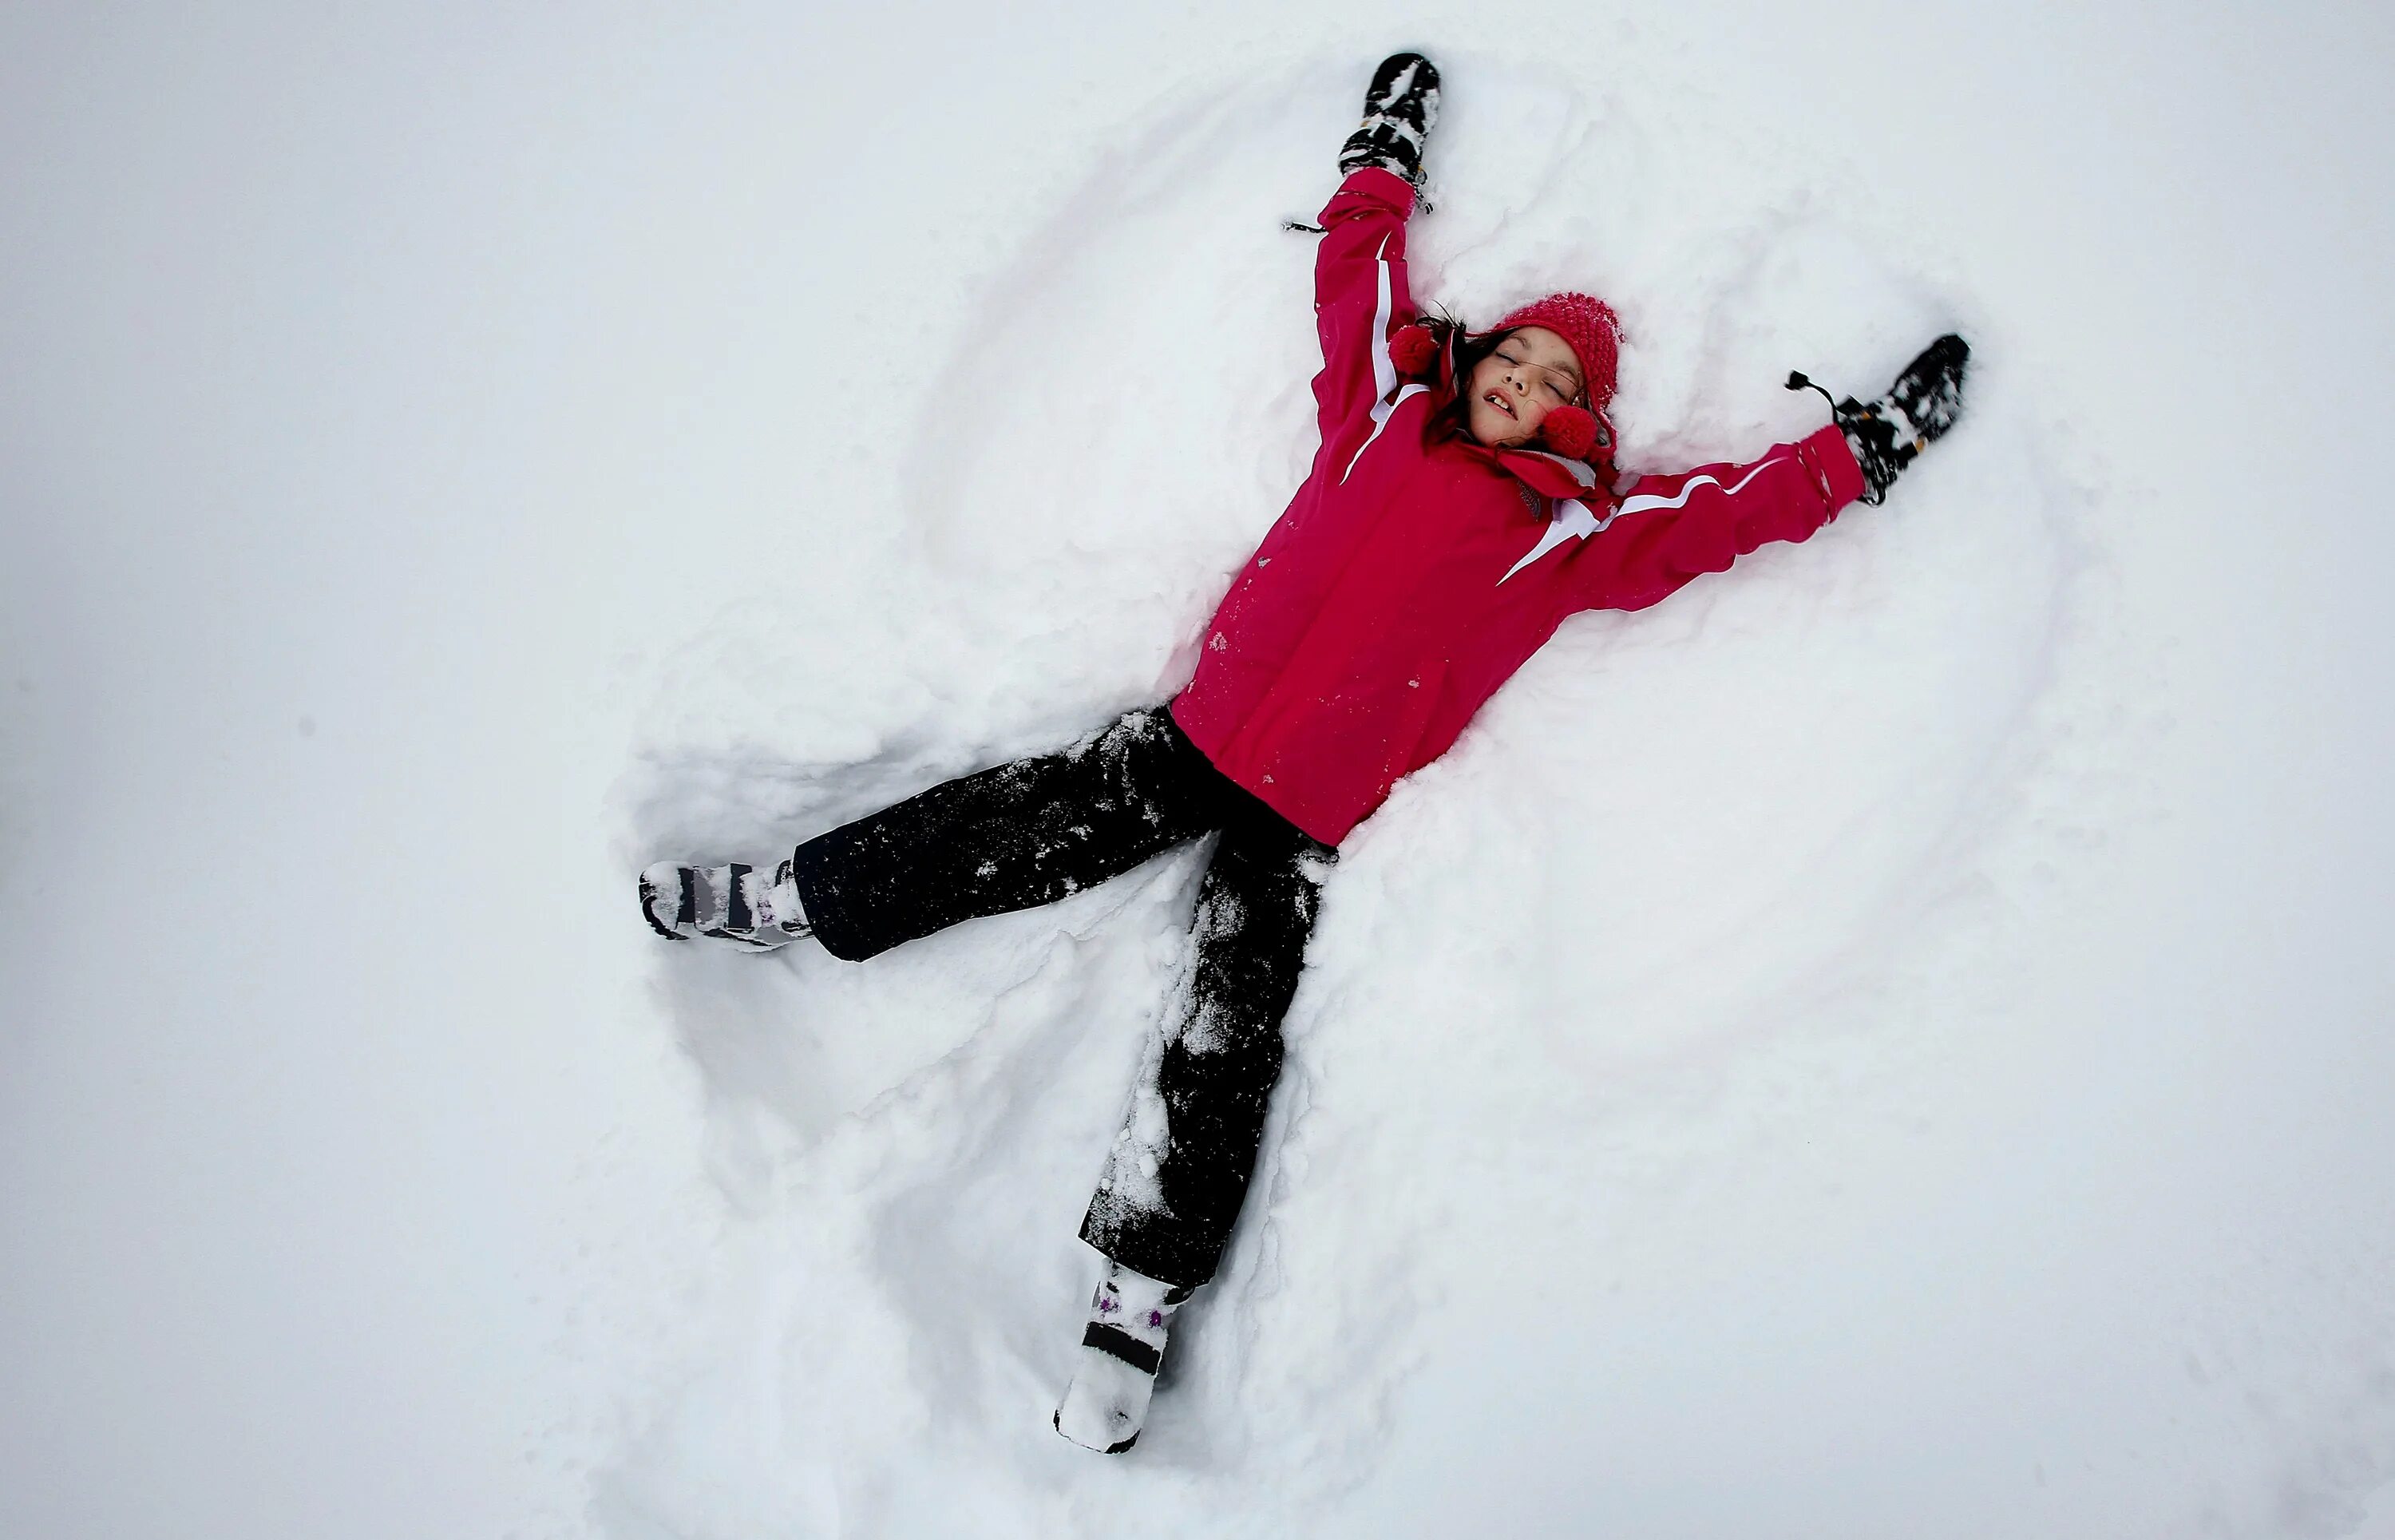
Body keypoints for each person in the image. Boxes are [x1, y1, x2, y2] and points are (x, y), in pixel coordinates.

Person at [637, 51, 1970, 1454]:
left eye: (1553, 376)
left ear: (1583, 419)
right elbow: (1359, 281)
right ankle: (798, 895)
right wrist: (1381, 156)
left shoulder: (1569, 532)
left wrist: (1856, 450)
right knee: (1008, 825)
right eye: (1512, 351)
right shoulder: (1386, 407)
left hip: (1310, 809)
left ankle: (1138, 1292)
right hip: (1198, 732)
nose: (1521, 375)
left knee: (1227, 1030)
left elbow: (1721, 516)